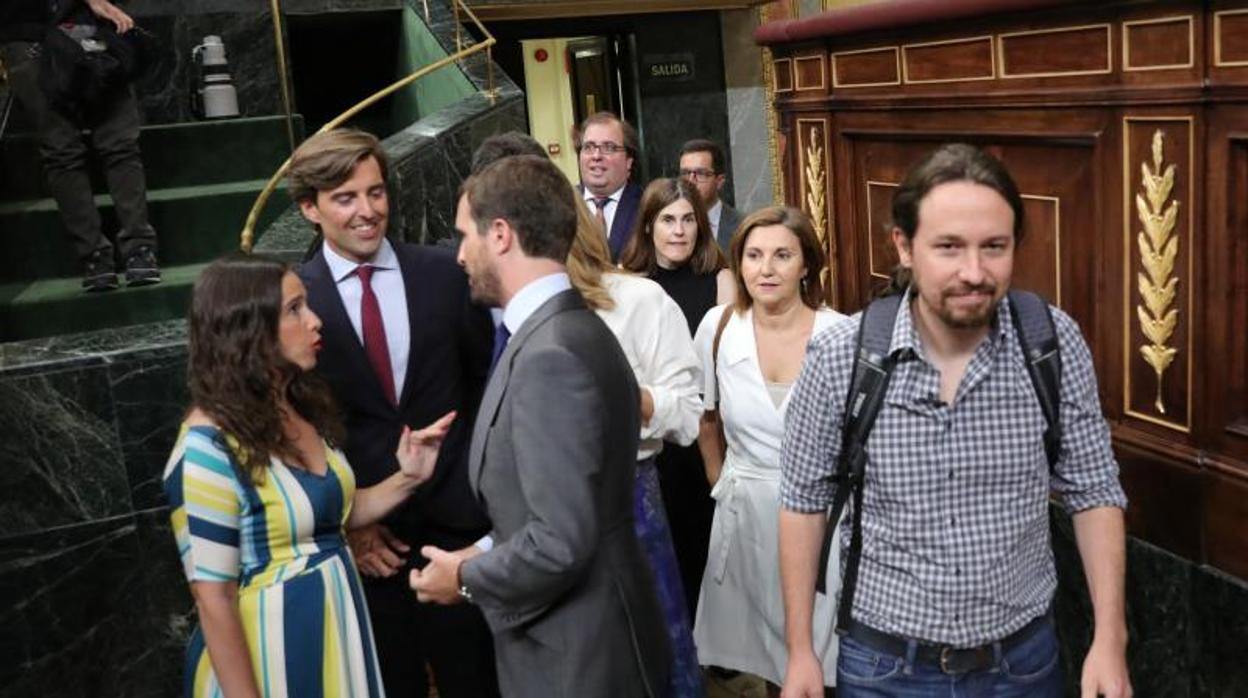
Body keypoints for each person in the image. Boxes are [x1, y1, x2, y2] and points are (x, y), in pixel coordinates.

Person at [778, 144, 1131, 698]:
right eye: (948, 247)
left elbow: (1094, 490)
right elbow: (803, 502)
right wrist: (799, 648)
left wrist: (1110, 635)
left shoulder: (1051, 342)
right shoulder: (842, 355)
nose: (975, 272)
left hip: (1022, 662)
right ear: (904, 246)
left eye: (995, 247)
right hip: (884, 666)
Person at [410, 154, 671, 697]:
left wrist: (462, 579)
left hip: (580, 658)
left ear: (501, 234)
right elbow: (555, 509)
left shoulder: (550, 354)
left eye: (465, 236)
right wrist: (481, 551)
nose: (459, 255)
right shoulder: (568, 328)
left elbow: (560, 541)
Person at [469, 131, 704, 696]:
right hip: (531, 524)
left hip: (630, 506)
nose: (466, 252)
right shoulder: (507, 316)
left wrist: (625, 397)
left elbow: (690, 416)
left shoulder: (639, 300)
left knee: (634, 662)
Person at [162, 252, 455, 697]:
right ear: (249, 331)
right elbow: (213, 600)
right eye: (295, 310)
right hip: (271, 656)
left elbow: (327, 514)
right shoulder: (207, 448)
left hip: (338, 634)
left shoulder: (298, 407)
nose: (315, 321)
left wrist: (408, 477)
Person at [290, 128, 499, 697]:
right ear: (310, 207)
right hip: (368, 548)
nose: (367, 211)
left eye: (376, 192)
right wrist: (350, 526)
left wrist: (485, 500)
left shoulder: (441, 273)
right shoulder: (296, 301)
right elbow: (297, 429)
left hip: (461, 531)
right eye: (346, 198)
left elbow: (487, 385)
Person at [693, 206, 844, 696]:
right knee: (764, 654)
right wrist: (719, 479)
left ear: (806, 264)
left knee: (825, 653)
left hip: (825, 515)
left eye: (782, 255)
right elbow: (707, 415)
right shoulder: (718, 327)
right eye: (753, 256)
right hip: (747, 510)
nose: (766, 268)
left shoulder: (840, 333)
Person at [620, 176, 733, 618]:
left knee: (708, 540)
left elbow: (729, 362)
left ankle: (717, 649)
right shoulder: (628, 283)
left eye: (689, 219)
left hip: (710, 431)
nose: (679, 230)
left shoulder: (720, 279)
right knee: (663, 549)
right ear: (649, 226)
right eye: (668, 220)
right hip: (653, 435)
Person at [0, 0, 160, 291]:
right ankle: (95, 256)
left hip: (89, 25)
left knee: (118, 142)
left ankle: (139, 249)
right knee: (62, 150)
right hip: (28, 30)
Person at [576, 111, 642, 261]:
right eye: (589, 147)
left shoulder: (647, 206)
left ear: (629, 161)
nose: (596, 156)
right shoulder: (561, 204)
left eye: (609, 148)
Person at [678, 139, 741, 251]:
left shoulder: (742, 226)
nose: (691, 181)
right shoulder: (667, 226)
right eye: (686, 173)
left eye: (701, 173)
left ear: (719, 181)